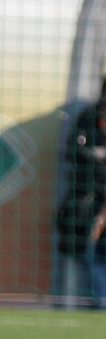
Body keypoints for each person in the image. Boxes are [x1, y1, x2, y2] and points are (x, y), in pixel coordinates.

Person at [56, 77, 106, 308]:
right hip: (87, 202)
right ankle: (87, 305)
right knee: (86, 256)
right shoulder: (87, 117)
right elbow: (72, 152)